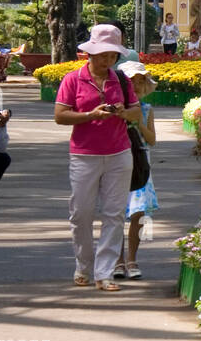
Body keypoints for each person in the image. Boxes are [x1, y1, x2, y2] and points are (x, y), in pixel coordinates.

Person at [54, 24, 142, 292]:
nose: (108, 60)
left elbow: (136, 112)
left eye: (113, 56)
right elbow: (60, 115)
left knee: (114, 214)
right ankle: (83, 266)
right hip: (84, 156)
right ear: (90, 54)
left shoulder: (122, 80)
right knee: (81, 214)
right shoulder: (73, 79)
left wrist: (122, 112)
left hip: (119, 154)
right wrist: (91, 115)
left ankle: (104, 273)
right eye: (103, 55)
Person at [113, 62, 158, 280]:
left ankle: (132, 259)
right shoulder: (115, 109)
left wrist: (139, 123)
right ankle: (117, 260)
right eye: (133, 81)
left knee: (138, 214)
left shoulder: (147, 110)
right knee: (117, 213)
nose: (137, 85)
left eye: (141, 81)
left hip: (141, 167)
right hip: (118, 165)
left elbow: (152, 140)